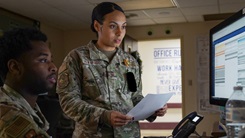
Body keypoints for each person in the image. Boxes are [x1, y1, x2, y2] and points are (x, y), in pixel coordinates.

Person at [56, 2, 167, 138]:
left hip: (129, 134)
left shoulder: (130, 62)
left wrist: (152, 109)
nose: (120, 33)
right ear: (97, 26)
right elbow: (69, 101)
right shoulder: (77, 58)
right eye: (113, 26)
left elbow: (135, 97)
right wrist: (104, 116)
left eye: (124, 27)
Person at [0, 27, 57, 138]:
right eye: (43, 60)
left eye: (51, 60)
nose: (54, 67)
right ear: (15, 67)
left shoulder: (29, 108)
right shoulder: (9, 116)